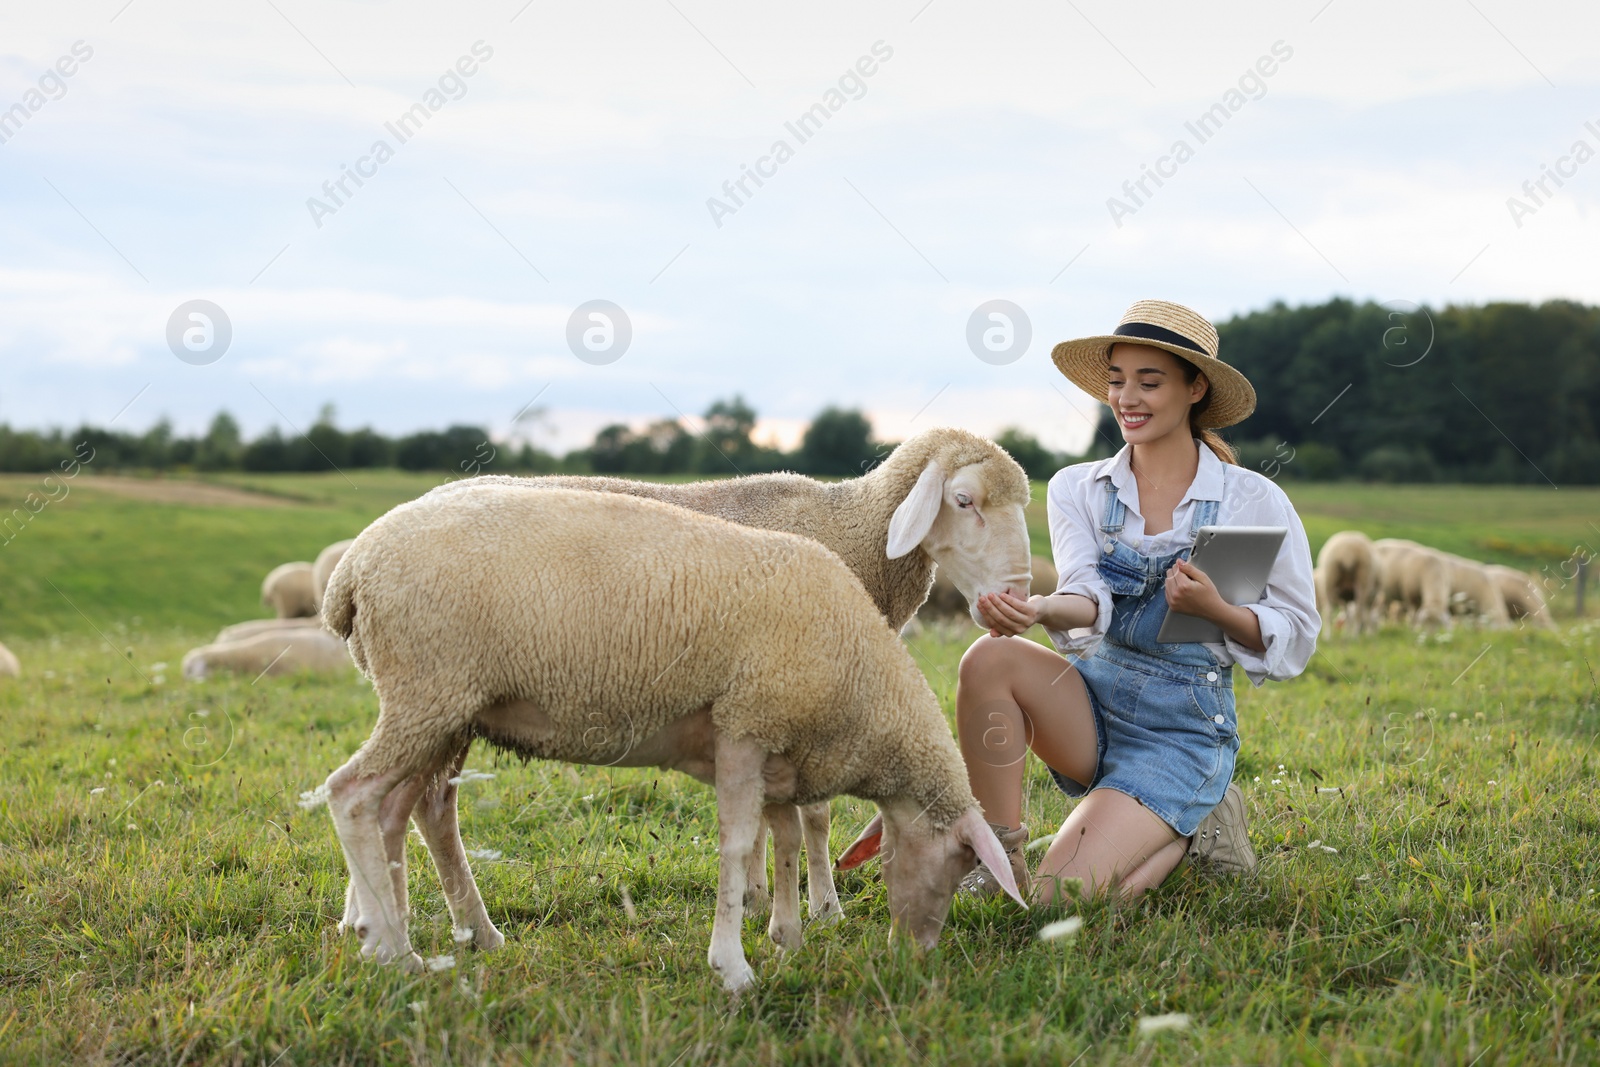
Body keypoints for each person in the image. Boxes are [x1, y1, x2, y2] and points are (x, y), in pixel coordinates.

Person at [957, 299, 1319, 904]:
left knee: (1057, 901)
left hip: (1180, 732)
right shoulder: (1080, 487)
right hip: (1091, 707)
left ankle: (1188, 831)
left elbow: (1297, 634)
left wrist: (1219, 612)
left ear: (1195, 388)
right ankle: (997, 858)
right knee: (988, 658)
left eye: (1149, 382)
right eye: (1117, 381)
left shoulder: (1249, 500)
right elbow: (1087, 598)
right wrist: (1040, 610)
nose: (1128, 398)